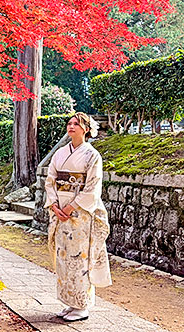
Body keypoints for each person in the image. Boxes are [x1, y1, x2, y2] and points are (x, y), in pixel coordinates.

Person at [44, 112, 112, 322]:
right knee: (63, 258)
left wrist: (72, 206)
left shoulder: (92, 155)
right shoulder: (60, 153)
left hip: (80, 215)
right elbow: (51, 179)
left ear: (86, 129)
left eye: (77, 123)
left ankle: (82, 306)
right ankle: (69, 302)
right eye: (69, 123)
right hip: (61, 211)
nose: (71, 126)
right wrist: (55, 206)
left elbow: (93, 186)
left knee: (80, 259)